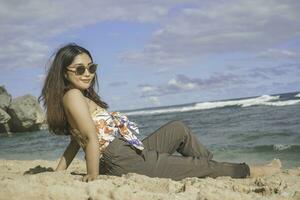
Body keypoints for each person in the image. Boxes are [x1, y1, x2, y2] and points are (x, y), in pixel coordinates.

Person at [39, 43, 281, 182]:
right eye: (79, 68)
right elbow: (90, 138)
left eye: (91, 67)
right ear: (64, 72)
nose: (87, 73)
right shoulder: (73, 95)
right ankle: (249, 170)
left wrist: (58, 173)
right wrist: (93, 177)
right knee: (197, 167)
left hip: (127, 152)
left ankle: (209, 166)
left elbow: (75, 142)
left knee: (178, 129)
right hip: (122, 160)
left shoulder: (77, 97)